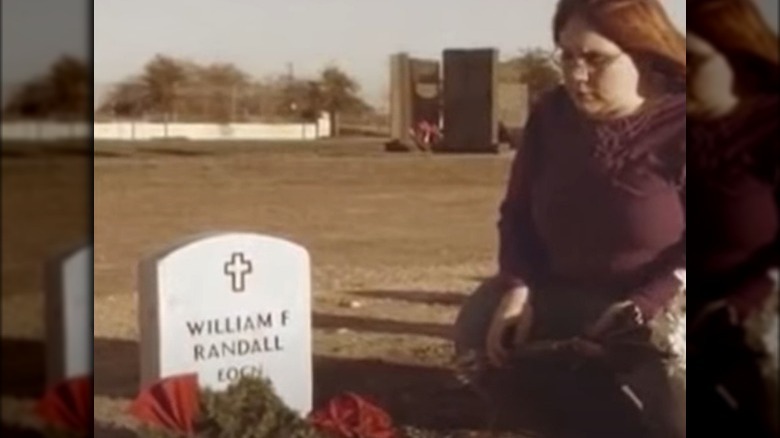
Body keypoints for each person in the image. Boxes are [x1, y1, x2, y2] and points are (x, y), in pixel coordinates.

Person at [453, 0, 686, 437]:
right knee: (482, 330)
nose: (577, 75)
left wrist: (644, 303)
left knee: (678, 394)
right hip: (563, 292)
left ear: (643, 52)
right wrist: (519, 287)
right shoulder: (551, 115)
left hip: (664, 300)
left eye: (596, 59)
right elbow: (517, 213)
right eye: (567, 56)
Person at [686, 0, 779, 436]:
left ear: (737, 57)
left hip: (753, 313)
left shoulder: (769, 125)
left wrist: (743, 302)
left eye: (694, 61)